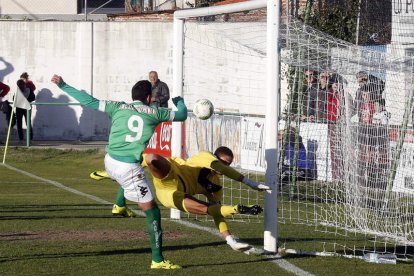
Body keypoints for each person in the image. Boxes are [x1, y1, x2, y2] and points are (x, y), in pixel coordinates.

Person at [51, 74, 186, 270]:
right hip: (128, 169)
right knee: (153, 212)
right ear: (149, 97)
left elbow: (88, 100)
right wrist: (179, 101)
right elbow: (181, 115)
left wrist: (63, 84)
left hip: (109, 161)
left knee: (133, 171)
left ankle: (120, 205)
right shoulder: (155, 112)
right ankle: (158, 260)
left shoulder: (118, 106)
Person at [90, 147, 270, 252]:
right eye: (223, 162)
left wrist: (229, 239)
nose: (224, 166)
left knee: (206, 208)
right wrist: (248, 182)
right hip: (171, 173)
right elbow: (217, 166)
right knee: (151, 158)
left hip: (171, 194)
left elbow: (217, 214)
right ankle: (114, 172)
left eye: (229, 164)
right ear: (216, 157)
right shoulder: (206, 156)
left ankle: (238, 209)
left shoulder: (215, 186)